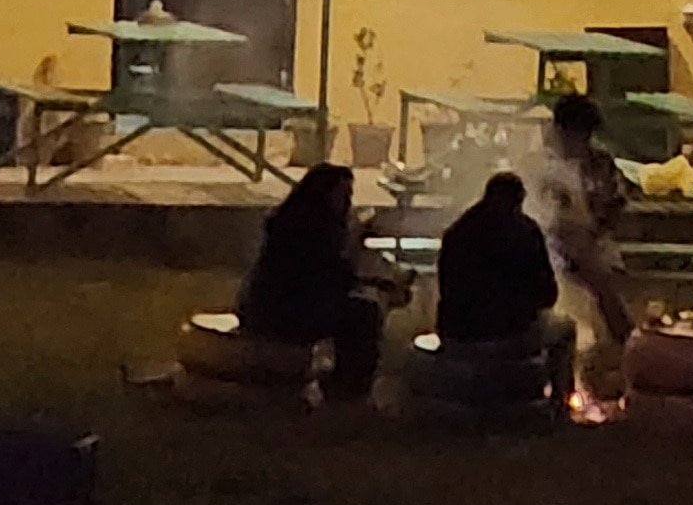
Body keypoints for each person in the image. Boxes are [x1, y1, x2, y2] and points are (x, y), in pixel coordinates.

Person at [238, 162, 395, 400]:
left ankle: (345, 383)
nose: (347, 202)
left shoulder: (294, 222)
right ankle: (349, 389)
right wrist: (358, 251)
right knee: (363, 315)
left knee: (359, 310)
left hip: (277, 305)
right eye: (343, 194)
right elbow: (328, 277)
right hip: (280, 311)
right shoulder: (305, 229)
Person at [535, 92, 636, 403]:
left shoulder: (600, 164)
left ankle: (626, 354)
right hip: (549, 248)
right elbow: (538, 215)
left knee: (603, 280)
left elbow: (615, 206)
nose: (579, 141)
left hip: (593, 244)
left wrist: (591, 235)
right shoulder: (539, 166)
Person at [432, 171, 562, 358]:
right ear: (519, 199)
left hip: (456, 337)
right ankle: (554, 378)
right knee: (563, 331)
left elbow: (446, 285)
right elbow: (547, 293)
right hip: (509, 337)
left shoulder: (457, 231)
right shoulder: (526, 231)